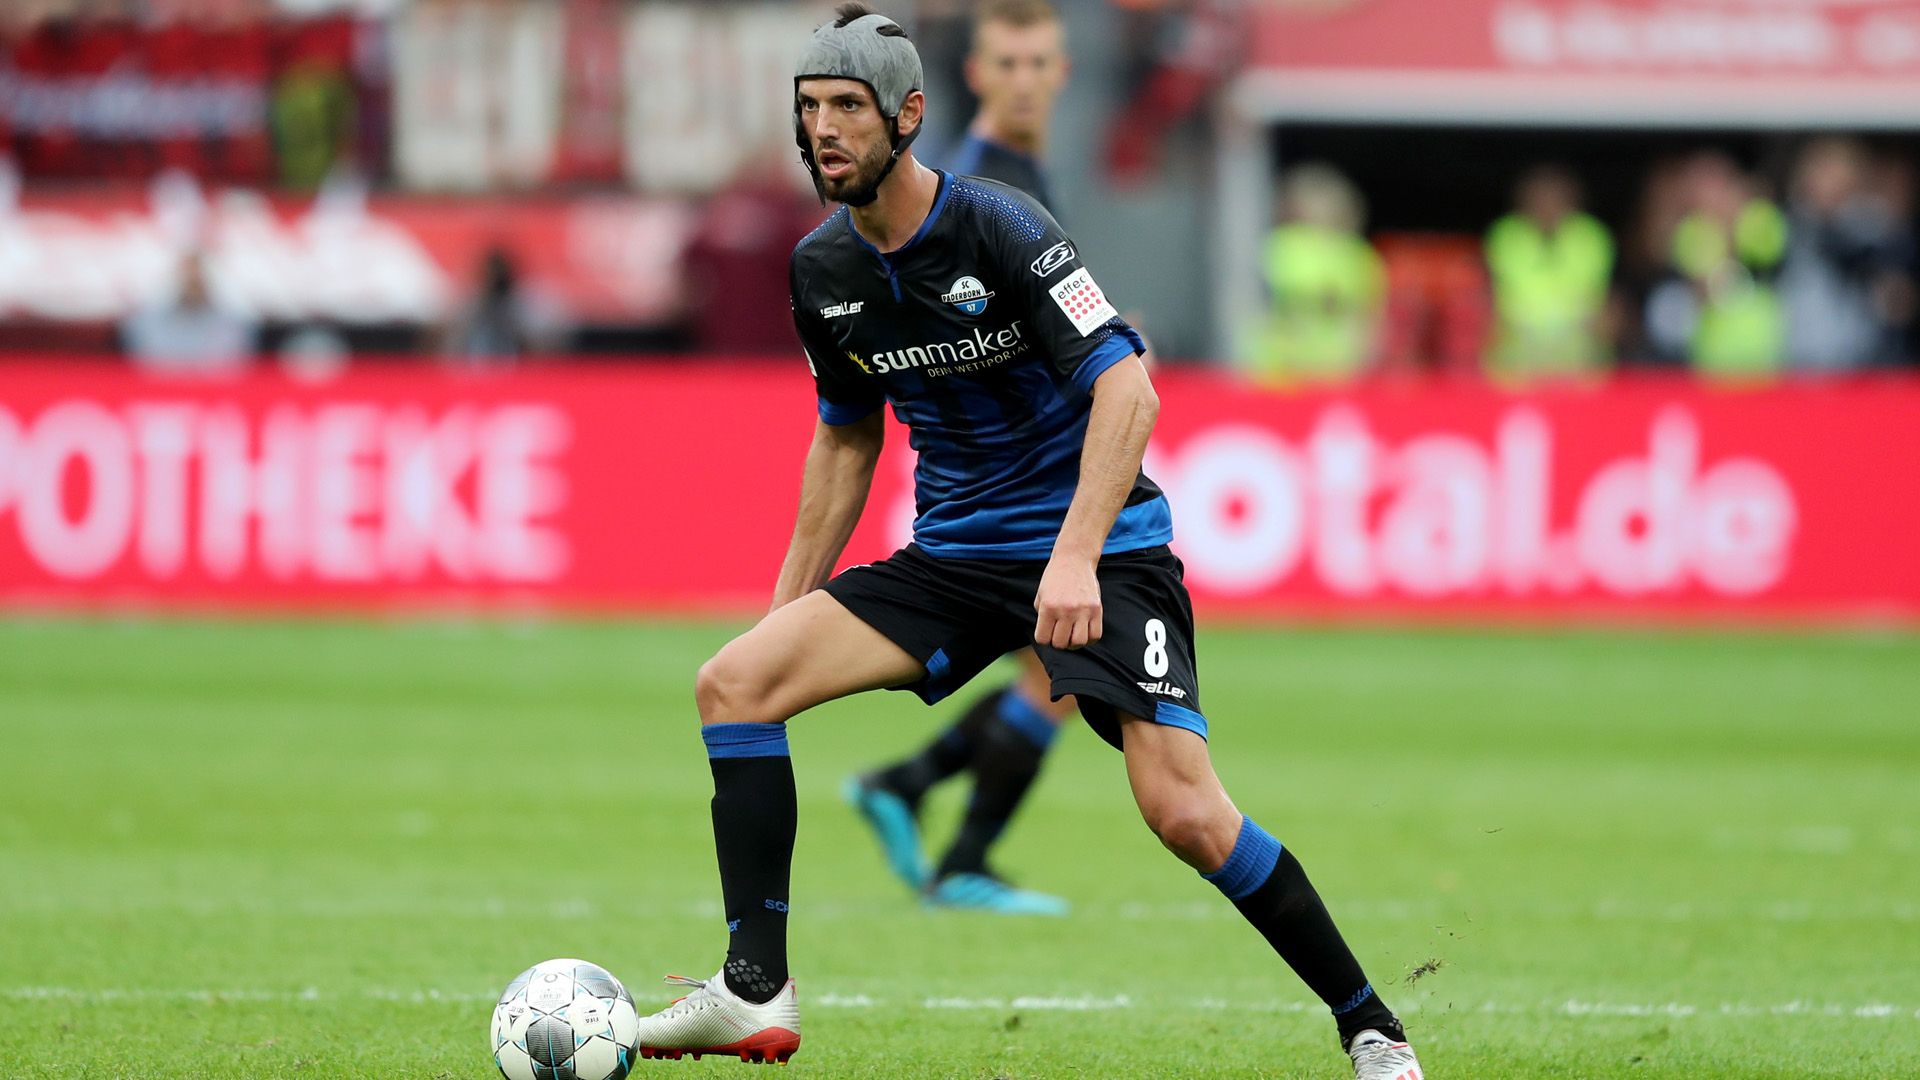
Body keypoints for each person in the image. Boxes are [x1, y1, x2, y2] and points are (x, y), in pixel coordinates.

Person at [629, 8, 1424, 1079]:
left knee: (1182, 810)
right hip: (955, 558)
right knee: (735, 682)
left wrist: (1075, 557)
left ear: (908, 117)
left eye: (847, 110)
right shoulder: (822, 270)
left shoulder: (1002, 226)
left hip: (1100, 550)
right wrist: (788, 609)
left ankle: (1371, 1025)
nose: (823, 131)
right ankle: (754, 992)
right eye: (809, 109)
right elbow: (846, 435)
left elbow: (1128, 391)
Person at [843, 0, 1080, 918]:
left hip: (1023, 483)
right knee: (1059, 672)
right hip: (996, 485)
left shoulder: (1022, 176)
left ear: (1062, 72)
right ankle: (961, 856)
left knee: (1054, 672)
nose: (1024, 78)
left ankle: (905, 789)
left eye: (1039, 62)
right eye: (1007, 62)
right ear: (976, 75)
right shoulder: (973, 187)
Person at [1244, 162, 1385, 385]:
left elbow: (1367, 321)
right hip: (1292, 373)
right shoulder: (1359, 257)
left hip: (1311, 373)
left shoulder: (1278, 248)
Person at [1484, 164, 1614, 381]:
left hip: (1577, 368)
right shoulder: (1506, 236)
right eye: (1540, 196)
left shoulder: (1590, 237)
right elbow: (1489, 300)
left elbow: (1603, 305)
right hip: (1517, 366)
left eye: (1554, 196)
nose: (1547, 204)